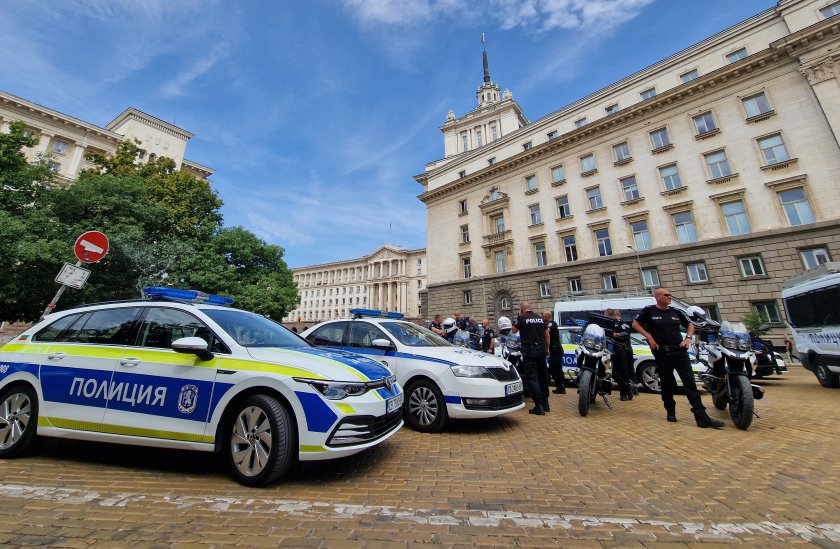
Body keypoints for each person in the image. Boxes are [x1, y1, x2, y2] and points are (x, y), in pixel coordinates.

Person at [632, 288, 725, 429]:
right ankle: (671, 411)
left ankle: (701, 417)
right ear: (657, 297)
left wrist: (688, 338)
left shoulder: (675, 311)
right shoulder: (649, 311)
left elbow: (690, 324)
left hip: (680, 352)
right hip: (662, 352)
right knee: (668, 384)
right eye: (666, 295)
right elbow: (635, 324)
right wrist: (649, 337)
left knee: (690, 384)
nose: (670, 297)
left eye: (670, 294)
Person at [512, 301, 551, 415]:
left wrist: (518, 317)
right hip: (541, 350)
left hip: (529, 350)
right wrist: (547, 349)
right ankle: (546, 404)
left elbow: (513, 331)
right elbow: (547, 334)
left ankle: (538, 405)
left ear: (522, 309)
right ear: (531, 308)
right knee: (543, 377)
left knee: (532, 377)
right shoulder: (540, 318)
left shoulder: (522, 318)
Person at [606, 309, 633, 401]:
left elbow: (625, 333)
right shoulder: (606, 324)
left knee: (622, 370)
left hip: (619, 348)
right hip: (608, 348)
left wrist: (615, 334)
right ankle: (626, 387)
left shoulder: (621, 323)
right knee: (611, 370)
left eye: (607, 315)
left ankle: (625, 392)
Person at [544, 311, 566, 394]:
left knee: (554, 368)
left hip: (556, 350)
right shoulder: (548, 324)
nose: (543, 318)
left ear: (548, 316)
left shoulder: (552, 323)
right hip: (554, 350)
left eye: (544, 316)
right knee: (557, 369)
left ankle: (561, 385)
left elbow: (547, 330)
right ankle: (560, 387)